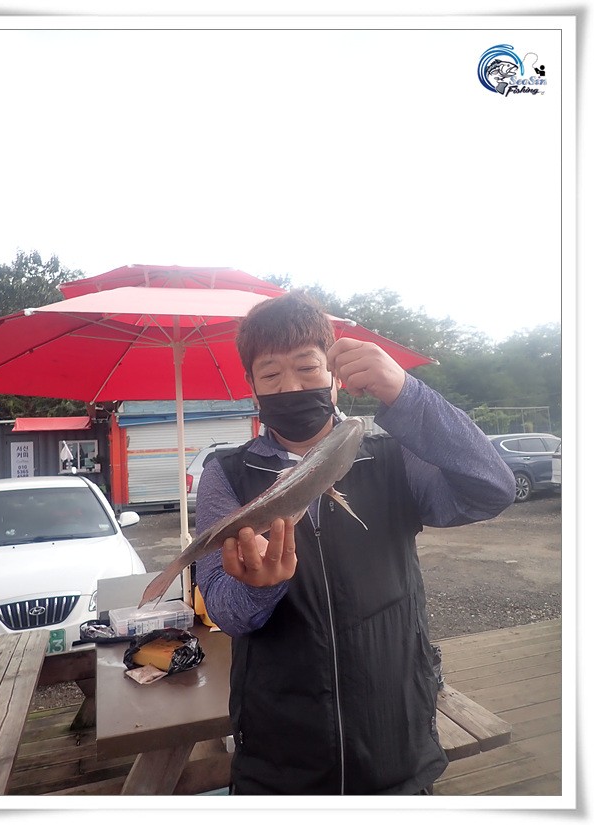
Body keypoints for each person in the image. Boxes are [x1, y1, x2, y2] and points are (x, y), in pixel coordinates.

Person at [195, 290, 516, 795]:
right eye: (271, 375)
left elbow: (491, 490)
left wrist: (407, 394)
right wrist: (257, 588)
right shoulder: (227, 474)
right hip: (280, 755)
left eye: (307, 368)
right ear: (252, 388)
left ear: (335, 376)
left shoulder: (392, 456)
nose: (291, 386)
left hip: (396, 738)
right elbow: (225, 611)